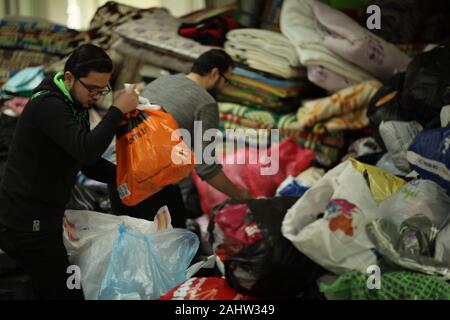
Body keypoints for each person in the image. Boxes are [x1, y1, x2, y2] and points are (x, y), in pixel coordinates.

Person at [0, 44, 138, 300]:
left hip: (44, 217)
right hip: (27, 222)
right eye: (92, 89)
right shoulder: (49, 106)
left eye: (102, 89)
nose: (96, 96)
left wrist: (127, 177)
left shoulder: (74, 105)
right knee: (65, 292)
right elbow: (86, 150)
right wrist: (116, 110)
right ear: (69, 78)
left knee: (57, 288)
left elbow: (87, 162)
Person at [109, 49, 252, 228]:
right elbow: (206, 167)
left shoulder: (163, 80)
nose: (224, 87)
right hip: (149, 184)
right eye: (226, 80)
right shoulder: (205, 102)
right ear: (215, 74)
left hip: (117, 175)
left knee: (128, 244)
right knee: (174, 246)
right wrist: (240, 194)